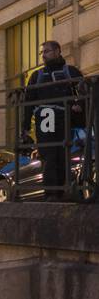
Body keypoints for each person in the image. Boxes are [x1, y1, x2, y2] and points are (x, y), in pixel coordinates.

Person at [24, 40, 86, 200]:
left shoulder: (71, 71)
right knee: (49, 155)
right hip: (46, 119)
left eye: (47, 51)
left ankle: (67, 190)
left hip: (68, 119)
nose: (43, 55)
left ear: (58, 51)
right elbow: (28, 102)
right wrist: (24, 127)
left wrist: (79, 104)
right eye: (42, 52)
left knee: (65, 154)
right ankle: (52, 192)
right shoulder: (36, 76)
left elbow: (86, 92)